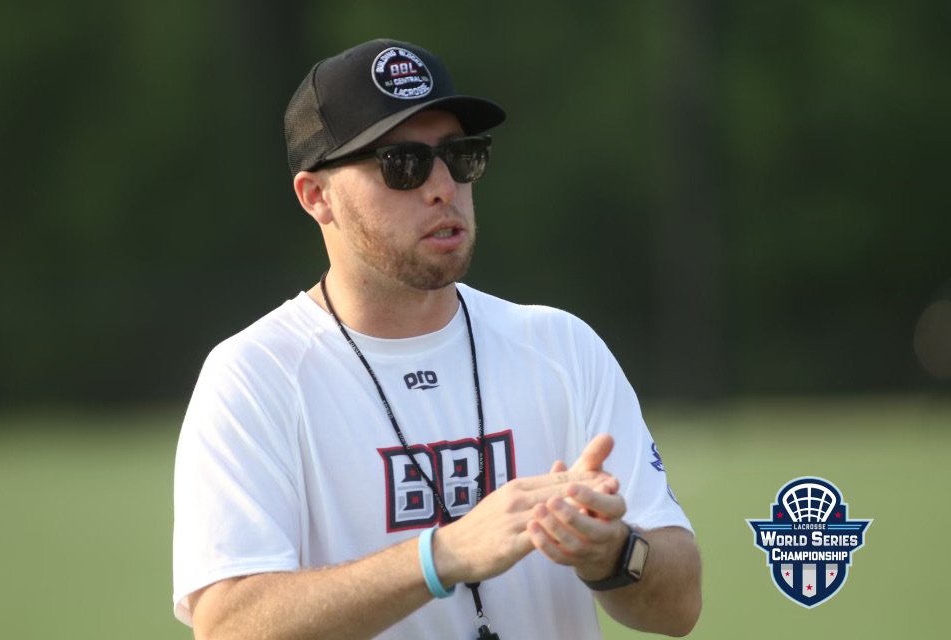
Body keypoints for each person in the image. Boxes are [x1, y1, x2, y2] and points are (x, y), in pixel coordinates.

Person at [172, 38, 702, 640]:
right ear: (316, 196)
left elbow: (680, 604)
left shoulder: (561, 346)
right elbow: (228, 626)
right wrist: (441, 557)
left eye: (461, 156)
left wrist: (612, 556)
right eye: (403, 164)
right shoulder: (254, 375)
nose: (443, 187)